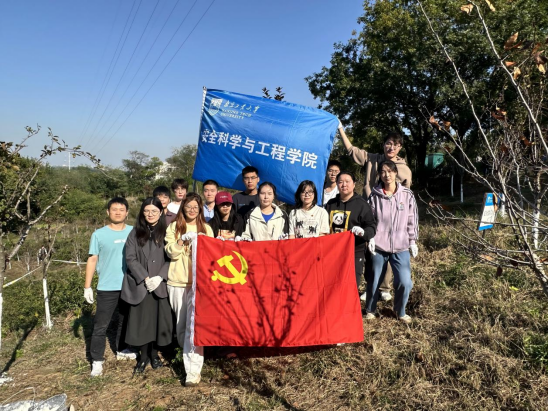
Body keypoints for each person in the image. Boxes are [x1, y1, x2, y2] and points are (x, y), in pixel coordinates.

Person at [339, 124, 413, 302]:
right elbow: (351, 150)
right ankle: (370, 285)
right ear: (383, 144)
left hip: (390, 215)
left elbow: (406, 195)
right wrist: (340, 128)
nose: (391, 148)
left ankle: (384, 287)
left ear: (400, 148)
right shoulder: (373, 159)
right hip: (368, 211)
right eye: (388, 143)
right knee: (368, 249)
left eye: (395, 145)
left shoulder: (403, 168)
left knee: (387, 247)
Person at [165, 193, 214, 387]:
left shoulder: (206, 229)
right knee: (181, 326)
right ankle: (184, 354)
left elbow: (213, 256)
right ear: (183, 208)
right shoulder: (174, 227)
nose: (192, 210)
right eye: (188, 206)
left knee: (194, 328)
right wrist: (181, 241)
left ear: (200, 209)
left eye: (196, 207)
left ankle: (192, 372)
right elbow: (170, 252)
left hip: (199, 284)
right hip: (178, 282)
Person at [84, 197, 135, 377]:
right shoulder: (98, 234)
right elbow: (92, 259)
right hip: (107, 287)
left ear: (127, 212)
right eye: (114, 209)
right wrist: (87, 286)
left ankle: (122, 349)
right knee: (101, 325)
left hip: (129, 284)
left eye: (121, 209)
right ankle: (97, 360)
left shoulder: (134, 231)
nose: (118, 212)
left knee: (125, 320)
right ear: (108, 212)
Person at [122, 198, 173, 373]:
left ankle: (154, 354)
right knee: (142, 322)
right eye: (147, 211)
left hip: (160, 284)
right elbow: (130, 258)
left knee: (158, 321)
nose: (150, 214)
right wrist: (144, 277)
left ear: (161, 212)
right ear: (142, 212)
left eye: (154, 211)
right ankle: (143, 356)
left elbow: (172, 257)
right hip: (142, 284)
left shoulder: (167, 231)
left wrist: (160, 276)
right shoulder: (135, 233)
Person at [365, 161, 418, 324]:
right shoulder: (374, 195)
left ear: (395, 172)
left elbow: (412, 219)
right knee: (374, 279)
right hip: (379, 245)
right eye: (383, 172)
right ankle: (370, 309)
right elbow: (369, 219)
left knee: (404, 281)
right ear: (379, 175)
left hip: (401, 245)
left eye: (390, 171)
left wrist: (412, 241)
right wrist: (370, 237)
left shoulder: (406, 195)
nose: (386, 175)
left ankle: (400, 311)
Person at [325, 172, 377, 290]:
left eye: (347, 181)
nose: (344, 185)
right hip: (333, 251)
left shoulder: (362, 205)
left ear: (354, 184)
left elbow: (371, 227)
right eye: (340, 182)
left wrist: (363, 233)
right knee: (332, 286)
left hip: (354, 251)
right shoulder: (330, 204)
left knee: (351, 286)